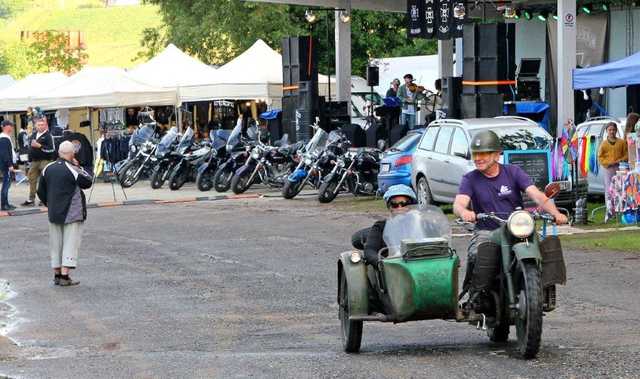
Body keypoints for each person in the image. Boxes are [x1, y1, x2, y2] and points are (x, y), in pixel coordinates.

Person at [452, 130, 568, 305]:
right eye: (476, 154)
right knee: (477, 253)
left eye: (484, 153)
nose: (478, 158)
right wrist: (464, 212)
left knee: (544, 248)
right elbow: (459, 203)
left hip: (517, 228)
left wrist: (556, 214)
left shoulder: (513, 172)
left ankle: (545, 291)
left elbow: (537, 195)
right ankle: (475, 295)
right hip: (487, 230)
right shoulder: (470, 179)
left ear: (497, 155)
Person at [37, 141, 93, 286]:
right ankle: (64, 276)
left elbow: (40, 191)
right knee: (70, 243)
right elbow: (88, 182)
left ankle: (56, 274)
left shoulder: (48, 168)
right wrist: (78, 166)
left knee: (55, 244)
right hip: (71, 212)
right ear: (72, 154)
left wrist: (48, 203)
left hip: (54, 211)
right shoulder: (72, 168)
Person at [352, 184, 418, 265]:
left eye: (405, 203)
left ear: (412, 206)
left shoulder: (422, 224)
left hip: (419, 264)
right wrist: (380, 262)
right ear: (389, 207)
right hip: (392, 268)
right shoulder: (380, 227)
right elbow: (370, 249)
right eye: (394, 204)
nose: (400, 208)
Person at [22, 115, 55, 206]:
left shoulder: (48, 136)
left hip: (45, 160)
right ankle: (31, 199)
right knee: (31, 178)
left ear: (45, 126)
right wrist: (29, 159)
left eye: (42, 125)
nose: (40, 126)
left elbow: (52, 149)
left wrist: (40, 146)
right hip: (34, 161)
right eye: (38, 125)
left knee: (45, 180)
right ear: (36, 126)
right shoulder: (33, 135)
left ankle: (45, 199)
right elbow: (30, 148)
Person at [598, 122, 628, 202]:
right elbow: (600, 157)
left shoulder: (621, 142)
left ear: (616, 131)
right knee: (609, 188)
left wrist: (621, 160)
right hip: (608, 169)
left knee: (620, 187)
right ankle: (610, 209)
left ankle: (620, 206)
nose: (612, 131)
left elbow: (626, 154)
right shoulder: (604, 144)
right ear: (606, 131)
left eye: (614, 130)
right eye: (610, 130)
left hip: (620, 168)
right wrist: (608, 163)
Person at [0, 120, 17, 211]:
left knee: (7, 184)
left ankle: (6, 204)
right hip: (6, 165)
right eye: (10, 125)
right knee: (6, 185)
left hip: (6, 165)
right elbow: (4, 153)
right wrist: (9, 165)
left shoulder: (5, 137)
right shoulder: (4, 138)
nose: (11, 127)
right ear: (5, 127)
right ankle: (4, 205)